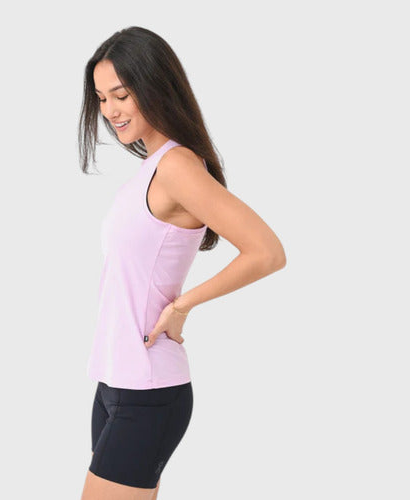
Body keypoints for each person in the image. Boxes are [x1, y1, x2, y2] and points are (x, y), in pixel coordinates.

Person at [77, 26, 286, 500]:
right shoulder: (151, 169)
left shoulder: (177, 167)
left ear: (153, 86)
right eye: (102, 98)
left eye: (121, 95)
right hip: (114, 381)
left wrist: (182, 305)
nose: (110, 111)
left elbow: (267, 251)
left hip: (148, 391)